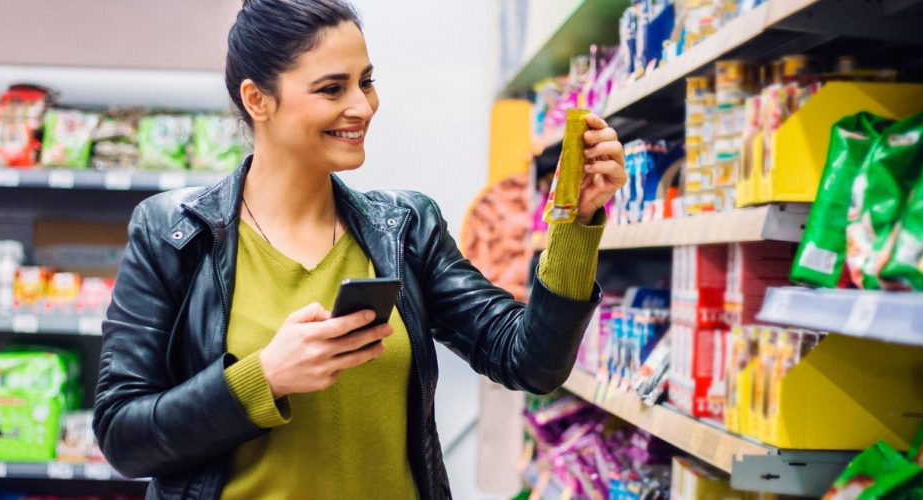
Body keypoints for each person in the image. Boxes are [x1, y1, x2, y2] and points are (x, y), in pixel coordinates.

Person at [93, 1, 626, 498]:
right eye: (331, 88)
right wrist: (266, 376)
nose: (362, 106)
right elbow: (124, 435)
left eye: (366, 82)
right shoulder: (173, 233)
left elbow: (529, 362)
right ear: (258, 99)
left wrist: (574, 223)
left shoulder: (405, 228)